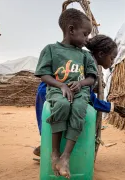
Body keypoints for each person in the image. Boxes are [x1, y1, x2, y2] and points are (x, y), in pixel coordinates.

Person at [35, 8, 101, 178]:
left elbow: (92, 78)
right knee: (62, 105)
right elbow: (43, 74)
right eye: (85, 34)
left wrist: (80, 83)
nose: (87, 39)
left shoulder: (85, 56)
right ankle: (55, 153)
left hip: (79, 92)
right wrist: (61, 86)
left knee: (80, 108)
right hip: (57, 90)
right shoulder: (50, 50)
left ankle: (66, 157)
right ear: (71, 30)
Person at [33, 34, 118, 157]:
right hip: (49, 91)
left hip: (48, 89)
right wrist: (111, 107)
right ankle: (51, 150)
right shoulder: (87, 61)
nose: (112, 62)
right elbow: (90, 98)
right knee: (55, 118)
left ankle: (48, 147)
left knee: (52, 122)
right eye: (112, 58)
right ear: (101, 54)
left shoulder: (86, 59)